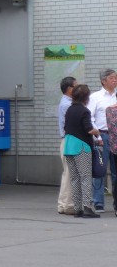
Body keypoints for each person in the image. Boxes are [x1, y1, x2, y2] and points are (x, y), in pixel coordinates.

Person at [64, 83, 101, 218]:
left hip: (68, 145)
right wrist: (97, 133)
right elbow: (88, 129)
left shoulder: (69, 109)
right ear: (86, 97)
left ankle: (78, 208)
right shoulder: (84, 111)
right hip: (81, 147)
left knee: (74, 178)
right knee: (85, 177)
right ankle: (87, 207)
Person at [87, 69, 117, 211]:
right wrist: (97, 135)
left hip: (116, 136)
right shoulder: (96, 97)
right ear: (103, 81)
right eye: (112, 78)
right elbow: (90, 117)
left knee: (115, 171)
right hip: (102, 135)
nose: (115, 80)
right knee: (100, 169)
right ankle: (98, 201)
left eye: (116, 78)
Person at [57, 76, 76, 215]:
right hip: (70, 140)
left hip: (66, 140)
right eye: (76, 86)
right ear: (69, 89)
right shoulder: (68, 105)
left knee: (67, 174)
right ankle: (68, 205)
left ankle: (63, 204)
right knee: (70, 174)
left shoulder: (66, 102)